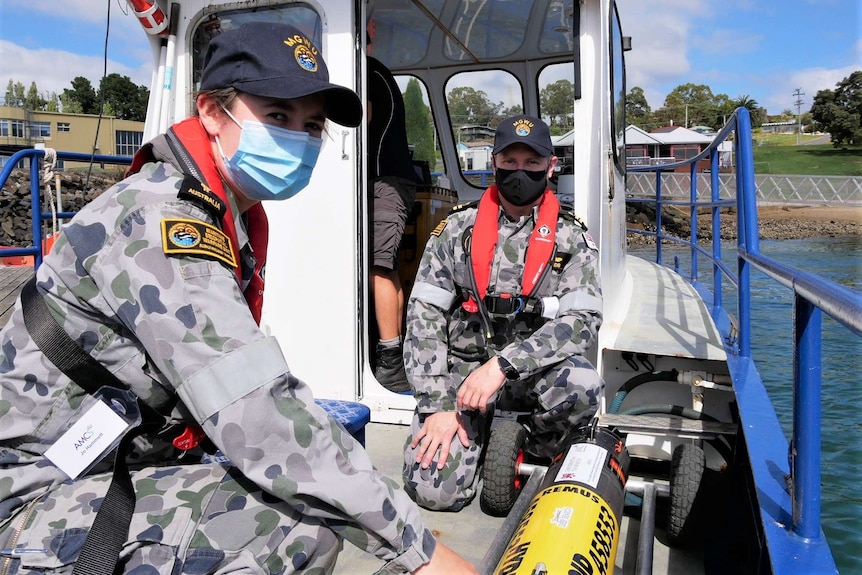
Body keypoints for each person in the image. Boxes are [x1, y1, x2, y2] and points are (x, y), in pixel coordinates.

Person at [0, 22, 476, 575]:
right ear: (210, 112)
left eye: (312, 125)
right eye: (277, 117)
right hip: (33, 489)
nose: (298, 138)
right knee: (292, 532)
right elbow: (256, 406)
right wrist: (423, 552)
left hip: (116, 459)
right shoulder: (160, 220)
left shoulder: (224, 212)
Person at [401, 115, 604, 511]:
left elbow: (582, 323)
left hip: (527, 373)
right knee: (433, 492)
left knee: (582, 385)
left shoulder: (572, 238)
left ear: (551, 165)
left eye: (532, 163)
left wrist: (503, 366)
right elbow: (423, 317)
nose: (520, 171)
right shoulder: (455, 229)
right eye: (510, 161)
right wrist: (437, 406)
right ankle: (475, 439)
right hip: (462, 377)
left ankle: (529, 444)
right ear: (494, 162)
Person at [366, 18, 419, 393]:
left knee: (378, 268)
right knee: (388, 268)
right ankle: (394, 351)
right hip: (394, 181)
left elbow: (362, 121)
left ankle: (388, 360)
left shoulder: (365, 73)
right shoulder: (377, 72)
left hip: (385, 182)